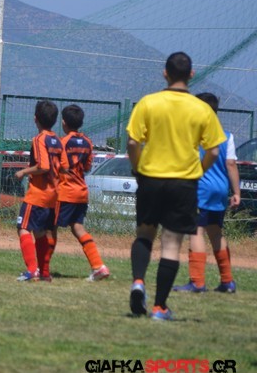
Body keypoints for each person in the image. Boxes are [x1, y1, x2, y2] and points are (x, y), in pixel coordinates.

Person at [126, 52, 226, 320]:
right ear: (191, 74)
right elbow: (214, 151)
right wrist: (198, 171)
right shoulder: (202, 109)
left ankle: (138, 282)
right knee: (171, 244)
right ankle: (159, 307)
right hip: (183, 183)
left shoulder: (148, 102)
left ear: (165, 73)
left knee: (144, 234)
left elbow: (133, 143)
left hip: (150, 178)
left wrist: (137, 168)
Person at [172, 92, 240, 294]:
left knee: (196, 231)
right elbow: (231, 164)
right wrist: (236, 191)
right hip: (220, 190)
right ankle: (227, 281)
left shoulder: (191, 135)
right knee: (216, 232)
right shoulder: (227, 136)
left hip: (199, 189)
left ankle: (197, 282)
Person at [13, 100, 66, 282]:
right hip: (53, 194)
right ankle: (44, 273)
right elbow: (64, 167)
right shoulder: (58, 140)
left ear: (35, 118)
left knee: (23, 228)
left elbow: (43, 166)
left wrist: (24, 172)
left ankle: (32, 270)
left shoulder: (39, 139)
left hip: (38, 193)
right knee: (41, 232)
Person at [57, 104, 110, 281]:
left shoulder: (62, 142)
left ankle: (43, 268)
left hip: (65, 191)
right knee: (78, 227)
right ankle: (98, 266)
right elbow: (87, 167)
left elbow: (61, 167)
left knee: (49, 227)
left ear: (63, 122)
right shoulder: (87, 142)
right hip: (81, 192)